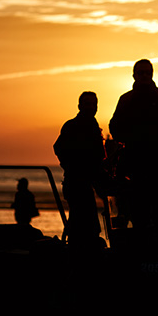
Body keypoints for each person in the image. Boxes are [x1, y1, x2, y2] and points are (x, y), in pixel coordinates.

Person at [109, 59, 158, 245]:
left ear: (152, 74)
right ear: (134, 75)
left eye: (147, 72)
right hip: (134, 162)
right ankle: (143, 248)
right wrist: (130, 139)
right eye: (140, 72)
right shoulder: (125, 99)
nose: (144, 75)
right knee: (137, 207)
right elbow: (114, 126)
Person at [54, 91, 106, 248]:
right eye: (87, 103)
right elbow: (58, 148)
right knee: (82, 223)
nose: (90, 107)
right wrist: (73, 167)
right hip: (76, 183)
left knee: (84, 222)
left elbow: (97, 159)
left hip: (87, 181)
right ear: (79, 106)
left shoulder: (94, 126)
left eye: (93, 104)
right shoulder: (72, 126)